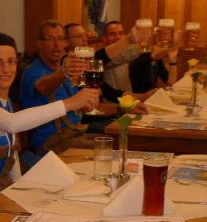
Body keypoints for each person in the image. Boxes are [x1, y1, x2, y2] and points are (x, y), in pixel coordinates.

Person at [0, 33, 98, 203]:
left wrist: (18, 190)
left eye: (11, 61)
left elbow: (11, 156)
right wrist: (70, 103)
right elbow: (12, 123)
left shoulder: (5, 100)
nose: (6, 69)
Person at [20, 19, 137, 155]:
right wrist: (65, 71)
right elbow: (44, 87)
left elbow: (88, 108)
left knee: (125, 141)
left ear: (65, 43)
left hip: (77, 132)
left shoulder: (71, 71)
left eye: (60, 39)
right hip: (50, 142)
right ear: (39, 44)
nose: (56, 44)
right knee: (112, 151)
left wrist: (122, 108)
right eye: (50, 39)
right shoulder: (33, 71)